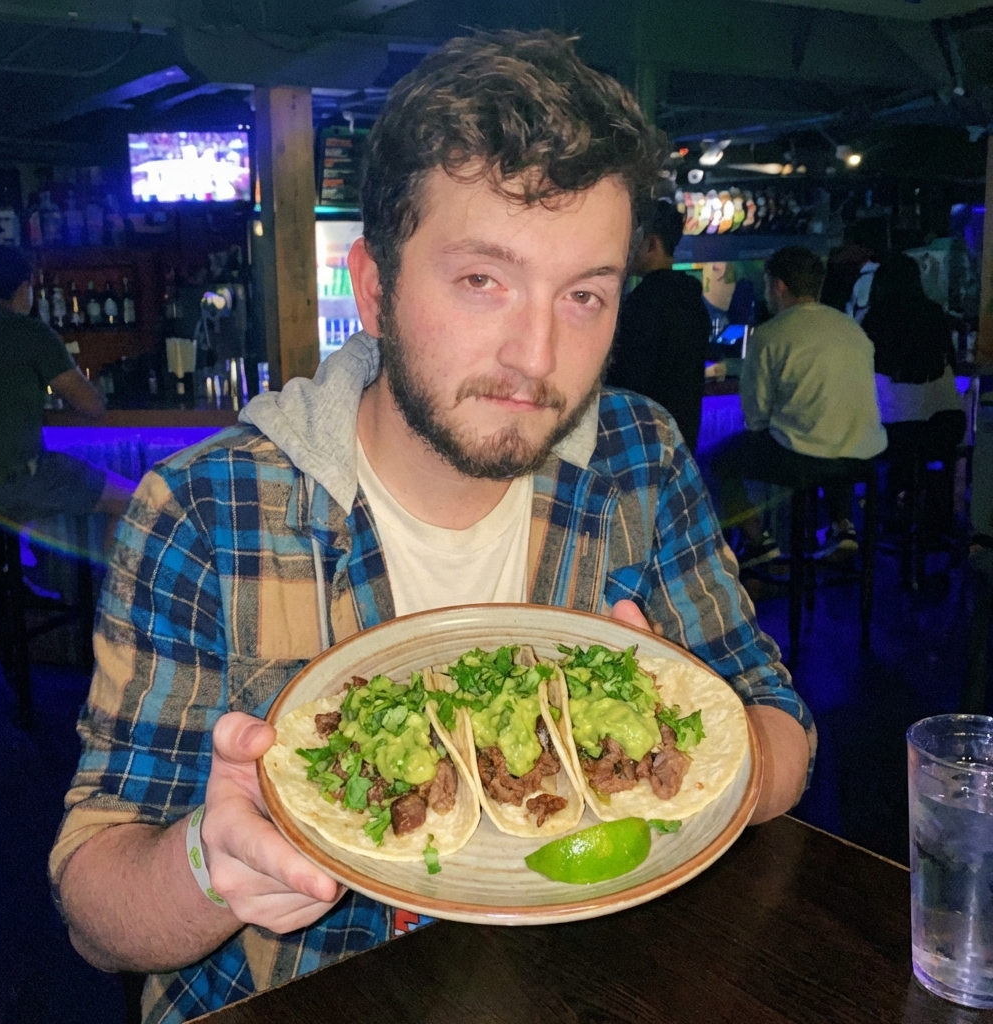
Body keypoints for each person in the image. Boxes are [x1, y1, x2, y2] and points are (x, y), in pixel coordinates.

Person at [52, 31, 814, 1024]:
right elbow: (94, 906)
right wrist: (212, 861)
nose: (536, 355)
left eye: (582, 295)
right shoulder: (206, 512)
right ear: (372, 289)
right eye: (482, 281)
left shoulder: (639, 456)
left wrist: (693, 725)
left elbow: (783, 735)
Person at [711, 246, 888, 566]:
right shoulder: (852, 328)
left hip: (805, 455)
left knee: (715, 461)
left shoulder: (768, 335)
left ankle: (758, 542)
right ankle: (843, 528)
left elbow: (755, 419)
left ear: (778, 285)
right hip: (865, 449)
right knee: (831, 434)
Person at [0, 247, 135, 531]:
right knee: (135, 502)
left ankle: (13, 570)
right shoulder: (30, 332)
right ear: (24, 288)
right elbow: (91, 406)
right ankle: (112, 578)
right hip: (12, 481)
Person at [861, 253, 965, 533]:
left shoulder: (872, 320)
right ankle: (935, 520)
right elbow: (952, 363)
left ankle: (891, 517)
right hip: (948, 425)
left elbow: (862, 375)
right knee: (917, 445)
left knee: (896, 439)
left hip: (895, 430)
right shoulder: (936, 315)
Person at [606, 197, 712, 449]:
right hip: (681, 437)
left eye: (631, 241)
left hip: (642, 440)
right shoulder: (692, 300)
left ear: (651, 244)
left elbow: (627, 382)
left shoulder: (644, 304)